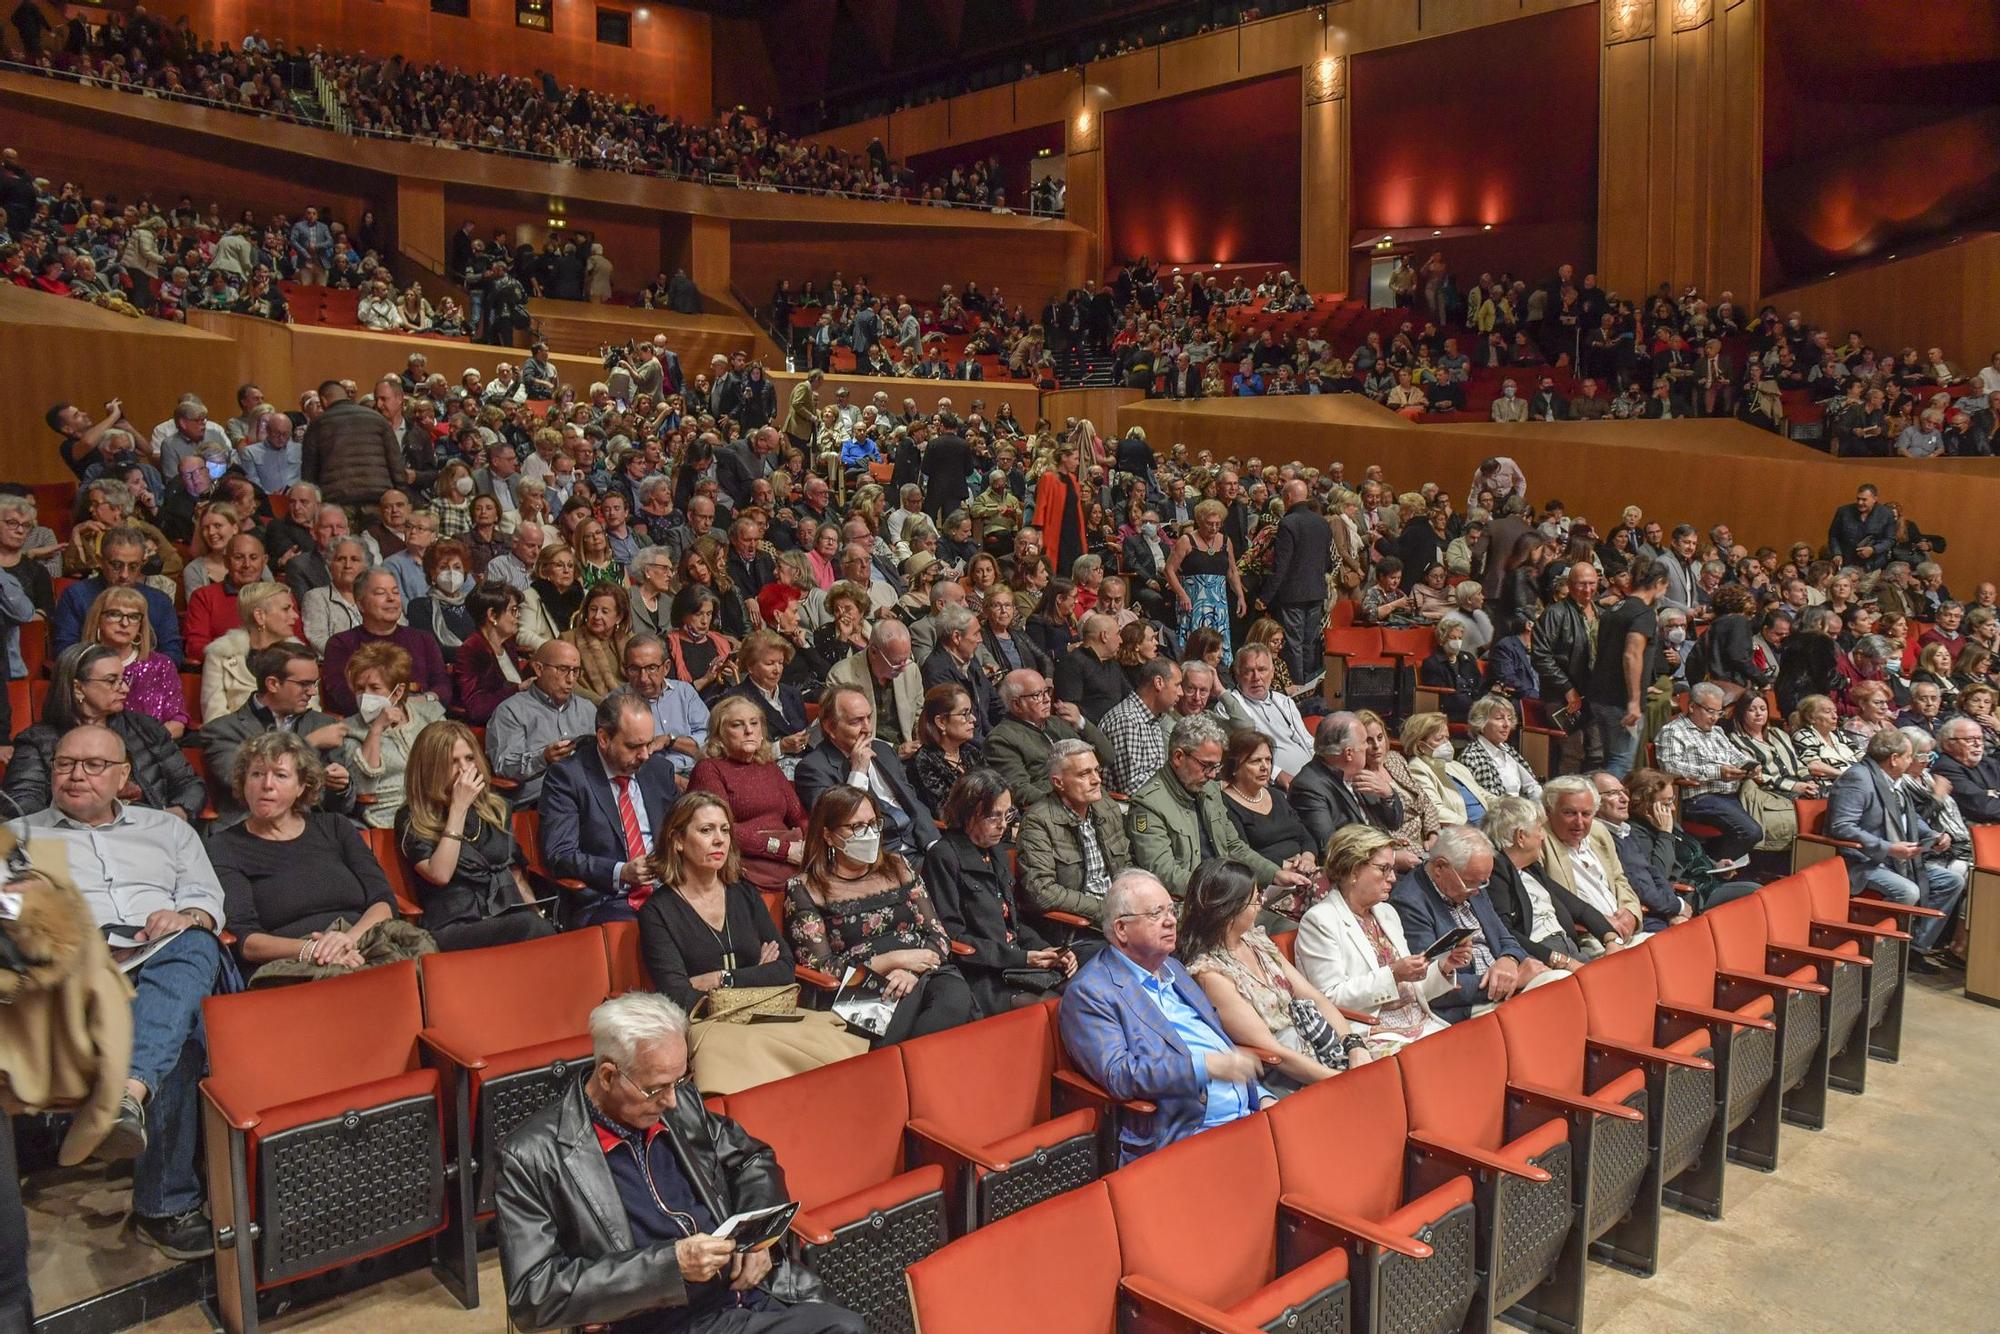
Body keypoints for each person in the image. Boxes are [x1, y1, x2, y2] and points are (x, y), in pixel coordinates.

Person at [494, 993, 866, 1334]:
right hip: (658, 1320)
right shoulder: (533, 1155)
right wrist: (669, 1267)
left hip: (743, 1292)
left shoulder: (679, 1106)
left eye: (681, 1080)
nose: (672, 1101)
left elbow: (753, 1158)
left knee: (847, 1326)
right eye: (656, 1089)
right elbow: (532, 1295)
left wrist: (758, 1243)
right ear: (608, 1076)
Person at [19, 724, 226, 1259]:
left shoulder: (168, 831)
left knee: (196, 943)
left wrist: (185, 915)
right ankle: (165, 1204)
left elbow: (207, 899)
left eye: (93, 765)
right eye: (65, 763)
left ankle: (126, 1094)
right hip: (72, 978)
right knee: (184, 1027)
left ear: (123, 777)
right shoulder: (19, 837)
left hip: (161, 958)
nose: (76, 775)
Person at [637, 793, 865, 1093]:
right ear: (678, 840)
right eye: (706, 830)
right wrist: (756, 973)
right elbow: (678, 995)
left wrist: (721, 979)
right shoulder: (657, 911)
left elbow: (784, 969)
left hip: (766, 1012)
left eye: (725, 830)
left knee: (837, 1046)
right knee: (748, 1057)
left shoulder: (743, 893)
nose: (719, 840)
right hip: (710, 1026)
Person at [1057, 869, 1268, 1163]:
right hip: (1187, 1135)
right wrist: (1202, 1067)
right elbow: (1119, 1075)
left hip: (1249, 1115)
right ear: (1121, 929)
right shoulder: (1091, 992)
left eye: (1171, 910)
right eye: (1156, 913)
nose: (1171, 920)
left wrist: (1261, 1094)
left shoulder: (1174, 969)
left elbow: (1215, 1042)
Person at [206, 731, 430, 986]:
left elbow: (383, 900)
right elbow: (247, 942)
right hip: (291, 960)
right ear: (243, 782)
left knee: (424, 961)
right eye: (256, 774)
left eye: (280, 775)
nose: (266, 784)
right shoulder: (224, 845)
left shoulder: (335, 826)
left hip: (363, 940)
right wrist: (312, 951)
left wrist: (348, 940)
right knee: (352, 982)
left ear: (302, 786)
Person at [786, 785, 974, 1044]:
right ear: (828, 835)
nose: (870, 833)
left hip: (922, 973)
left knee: (953, 995)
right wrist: (894, 960)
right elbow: (821, 969)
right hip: (859, 989)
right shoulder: (806, 887)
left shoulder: (898, 866)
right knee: (909, 1016)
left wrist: (911, 971)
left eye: (874, 823)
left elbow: (937, 935)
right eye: (856, 827)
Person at [1178, 858, 1371, 1095]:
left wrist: (1353, 1045)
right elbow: (1274, 1052)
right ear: (1230, 910)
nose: (1261, 903)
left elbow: (1315, 998)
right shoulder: (1210, 973)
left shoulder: (1256, 940)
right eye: (1255, 899)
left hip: (1318, 1046)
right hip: (1287, 1075)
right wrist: (1341, 1080)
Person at [1295, 826, 1466, 1050]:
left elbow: (1414, 990)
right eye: (1384, 869)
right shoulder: (1319, 920)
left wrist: (1444, 967)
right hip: (1371, 1034)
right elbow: (1330, 998)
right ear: (1354, 871)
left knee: (1474, 1051)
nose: (1393, 878)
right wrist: (1393, 974)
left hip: (1421, 1025)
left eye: (1392, 869)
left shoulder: (1387, 912)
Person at [925, 769, 1077, 1015]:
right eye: (993, 816)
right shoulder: (943, 856)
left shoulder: (996, 851)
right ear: (967, 815)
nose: (1003, 825)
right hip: (983, 973)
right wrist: (1024, 958)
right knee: (1056, 1009)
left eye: (1007, 814)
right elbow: (953, 937)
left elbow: (1013, 923)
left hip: (1017, 963)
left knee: (1088, 991)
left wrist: (1048, 950)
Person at [1126, 713, 1313, 903]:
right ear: (1178, 757)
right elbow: (1164, 873)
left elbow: (1234, 846)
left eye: (1217, 766)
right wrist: (1223, 890)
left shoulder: (1209, 789)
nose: (1213, 774)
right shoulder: (1150, 805)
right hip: (1191, 903)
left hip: (1228, 894)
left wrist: (1275, 874)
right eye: (1206, 765)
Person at [5, 643, 204, 819]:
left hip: (148, 834)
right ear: (78, 688)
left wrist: (174, 816)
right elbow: (21, 806)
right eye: (112, 680)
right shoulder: (37, 741)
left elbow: (190, 785)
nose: (125, 688)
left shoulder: (146, 728)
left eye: (124, 679)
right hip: (74, 842)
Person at [541, 690, 683, 926]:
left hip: (668, 890)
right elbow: (560, 855)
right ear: (604, 738)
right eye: (634, 746)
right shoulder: (568, 777)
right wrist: (621, 871)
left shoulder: (658, 770)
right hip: (608, 899)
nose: (645, 755)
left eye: (649, 743)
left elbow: (680, 830)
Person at [1825, 728, 1966, 961]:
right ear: (1894, 759)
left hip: (1897, 858)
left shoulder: (1894, 780)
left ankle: (1915, 948)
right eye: (1909, 756)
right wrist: (1888, 847)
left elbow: (1909, 817)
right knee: (1907, 890)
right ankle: (1883, 956)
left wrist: (1934, 834)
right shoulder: (1858, 778)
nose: (1912, 761)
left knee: (1952, 880)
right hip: (1863, 861)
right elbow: (1842, 827)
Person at [1389, 824, 1551, 1022]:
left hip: (1504, 989)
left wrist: (1509, 960)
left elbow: (1506, 938)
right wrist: (1512, 980)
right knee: (1552, 993)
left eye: (1483, 882)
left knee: (1559, 984)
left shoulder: (1473, 881)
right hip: (1470, 1006)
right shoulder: (1409, 902)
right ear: (1440, 867)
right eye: (1472, 883)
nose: (1478, 890)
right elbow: (1430, 983)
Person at [1480, 796, 1625, 973]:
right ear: (1520, 837)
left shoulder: (1532, 869)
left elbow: (1579, 908)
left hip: (1569, 950)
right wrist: (1561, 961)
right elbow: (1504, 931)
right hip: (1543, 961)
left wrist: (1611, 939)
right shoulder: (1496, 873)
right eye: (1539, 829)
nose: (1544, 836)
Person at [793, 684, 938, 861]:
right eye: (856, 721)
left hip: (920, 847)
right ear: (830, 727)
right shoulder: (813, 769)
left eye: (869, 717)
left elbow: (913, 803)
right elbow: (837, 823)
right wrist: (858, 771)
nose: (867, 728)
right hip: (876, 858)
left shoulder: (883, 750)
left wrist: (935, 845)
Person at [688, 695, 810, 892]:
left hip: (790, 858)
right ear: (719, 734)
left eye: (754, 723)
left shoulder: (768, 766)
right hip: (745, 866)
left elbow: (799, 816)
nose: (749, 730)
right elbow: (721, 830)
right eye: (737, 725)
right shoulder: (708, 769)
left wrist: (810, 847)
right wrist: (782, 849)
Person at [1018, 738, 1133, 930]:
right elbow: (1043, 892)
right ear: (1058, 783)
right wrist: (1104, 909)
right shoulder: (1037, 821)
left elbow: (1125, 865)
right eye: (1084, 774)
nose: (1097, 779)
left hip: (1120, 913)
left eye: (1096, 770)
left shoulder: (1106, 807)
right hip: (1077, 927)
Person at [1652, 682, 1767, 862]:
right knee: (1751, 832)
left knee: (1763, 824)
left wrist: (1749, 766)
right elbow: (1670, 768)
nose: (1715, 718)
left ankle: (1707, 861)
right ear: (1692, 707)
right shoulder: (1673, 731)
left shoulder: (1717, 732)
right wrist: (1717, 772)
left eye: (1719, 712)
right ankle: (1707, 865)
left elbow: (1735, 755)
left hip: (1729, 795)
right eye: (1710, 711)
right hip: (1699, 798)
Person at [338, 640, 447, 828]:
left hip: (438, 808)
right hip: (388, 817)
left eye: (374, 687)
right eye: (360, 688)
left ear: (398, 692)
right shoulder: (349, 729)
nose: (365, 695)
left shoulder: (429, 716)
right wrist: (376, 730)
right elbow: (363, 788)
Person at [321, 568, 454, 716]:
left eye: (396, 592)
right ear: (360, 604)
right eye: (380, 593)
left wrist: (424, 700)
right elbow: (343, 696)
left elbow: (443, 686)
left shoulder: (423, 639)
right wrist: (391, 707)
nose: (391, 598)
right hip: (368, 722)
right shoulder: (341, 644)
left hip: (423, 715)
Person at [983, 668, 1114, 809]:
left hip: (1093, 802)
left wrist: (1081, 722)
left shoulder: (1057, 723)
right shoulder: (1001, 739)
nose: (1047, 699)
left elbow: (1107, 757)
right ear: (1016, 704)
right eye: (1037, 695)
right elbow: (1019, 790)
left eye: (1047, 692)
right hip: (1053, 812)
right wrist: (1068, 801)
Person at [487, 640, 598, 806]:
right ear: (539, 669)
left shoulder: (587, 708)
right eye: (563, 670)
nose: (571, 679)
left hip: (586, 795)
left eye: (575, 671)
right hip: (540, 800)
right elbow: (504, 767)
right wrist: (542, 758)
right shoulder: (511, 711)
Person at [1586, 555, 1668, 776]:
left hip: (1599, 694)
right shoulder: (1644, 613)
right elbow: (1631, 654)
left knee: (1607, 758)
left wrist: (1642, 685)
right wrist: (1634, 699)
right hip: (1620, 700)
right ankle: (1599, 808)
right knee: (1620, 763)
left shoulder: (1615, 608)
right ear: (1659, 582)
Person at [1287, 712, 1411, 857]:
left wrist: (1388, 794)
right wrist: (1391, 857)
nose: (1367, 747)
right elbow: (1331, 847)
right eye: (1365, 741)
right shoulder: (1309, 787)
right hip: (1358, 869)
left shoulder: (1357, 771)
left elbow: (1394, 823)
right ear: (1349, 753)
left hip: (1385, 851)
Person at [84, 585, 188, 737]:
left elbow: (177, 724)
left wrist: (142, 745)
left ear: (141, 625)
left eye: (133, 617)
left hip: (151, 753)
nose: (125, 623)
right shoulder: (81, 663)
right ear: (98, 618)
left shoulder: (161, 665)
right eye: (115, 614)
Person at [1256, 480, 1333, 683]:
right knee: (1310, 643)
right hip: (1316, 592)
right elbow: (1328, 562)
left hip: (1292, 595)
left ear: (1287, 498)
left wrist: (1265, 597)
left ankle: (1297, 689)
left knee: (1293, 644)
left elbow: (1281, 566)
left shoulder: (1288, 523)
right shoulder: (1322, 522)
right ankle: (1311, 686)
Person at [1216, 728, 1318, 871]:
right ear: (1234, 768)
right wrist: (1285, 866)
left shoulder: (1276, 795)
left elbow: (1305, 835)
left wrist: (1307, 858)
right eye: (1255, 761)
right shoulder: (1224, 803)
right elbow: (1242, 853)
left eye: (1268, 760)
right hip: (1267, 877)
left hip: (1303, 869)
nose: (1265, 767)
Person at [1726, 690, 1818, 850]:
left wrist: (1807, 779)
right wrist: (1793, 786)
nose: (1758, 714)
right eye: (1752, 709)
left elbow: (1797, 763)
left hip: (1800, 784)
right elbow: (1757, 776)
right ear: (1742, 713)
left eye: (1762, 709)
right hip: (1771, 789)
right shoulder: (1736, 740)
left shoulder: (1779, 734)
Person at [1219, 643, 1314, 781]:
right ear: (1238, 675)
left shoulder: (1284, 702)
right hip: (1272, 784)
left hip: (1309, 777)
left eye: (1262, 669)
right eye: (1249, 671)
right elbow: (1239, 753)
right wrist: (1276, 774)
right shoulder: (1230, 706)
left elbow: (1307, 740)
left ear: (1272, 672)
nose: (1256, 677)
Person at [1165, 499, 1245, 662]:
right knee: (1195, 646)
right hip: (1193, 603)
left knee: (1218, 647)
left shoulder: (1225, 541)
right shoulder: (1187, 541)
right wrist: (1181, 594)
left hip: (1218, 605)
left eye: (1218, 524)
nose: (1214, 528)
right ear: (1200, 521)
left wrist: (1240, 596)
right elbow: (1169, 570)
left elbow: (1232, 571)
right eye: (1210, 524)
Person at [1399, 712, 1491, 826]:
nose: (1446, 744)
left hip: (1488, 824)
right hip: (1464, 832)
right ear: (1421, 746)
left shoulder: (1454, 765)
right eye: (1439, 739)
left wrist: (1507, 804)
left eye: (1447, 738)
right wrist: (1468, 827)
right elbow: (1435, 809)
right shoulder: (1417, 768)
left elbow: (1481, 793)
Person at [1461, 694, 1543, 801]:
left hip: (1522, 811)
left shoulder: (1509, 750)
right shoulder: (1471, 756)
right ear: (1481, 722)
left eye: (1509, 718)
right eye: (1499, 718)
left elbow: (1532, 786)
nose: (1507, 724)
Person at [1930, 715, 2000, 825]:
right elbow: (1985, 807)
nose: (1978, 744)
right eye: (1969, 739)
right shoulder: (1945, 768)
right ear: (1948, 744)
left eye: (1980, 738)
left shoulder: (1989, 763)